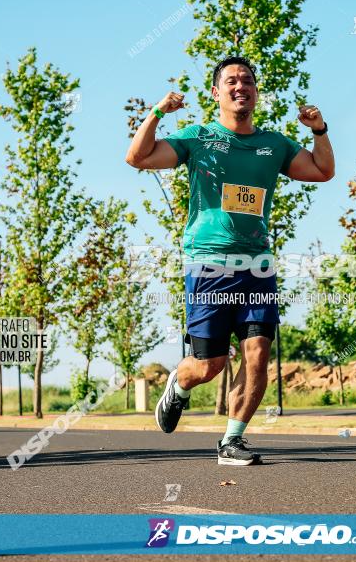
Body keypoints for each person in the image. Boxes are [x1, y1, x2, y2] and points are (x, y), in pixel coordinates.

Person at [126, 56, 334, 465]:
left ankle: (232, 441)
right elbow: (139, 157)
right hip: (208, 264)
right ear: (216, 93)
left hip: (257, 265)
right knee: (210, 366)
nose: (241, 86)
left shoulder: (274, 144)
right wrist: (156, 113)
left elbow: (322, 170)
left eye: (248, 81)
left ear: (256, 92)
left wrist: (319, 131)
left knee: (258, 352)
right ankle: (180, 385)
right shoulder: (199, 137)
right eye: (231, 81)